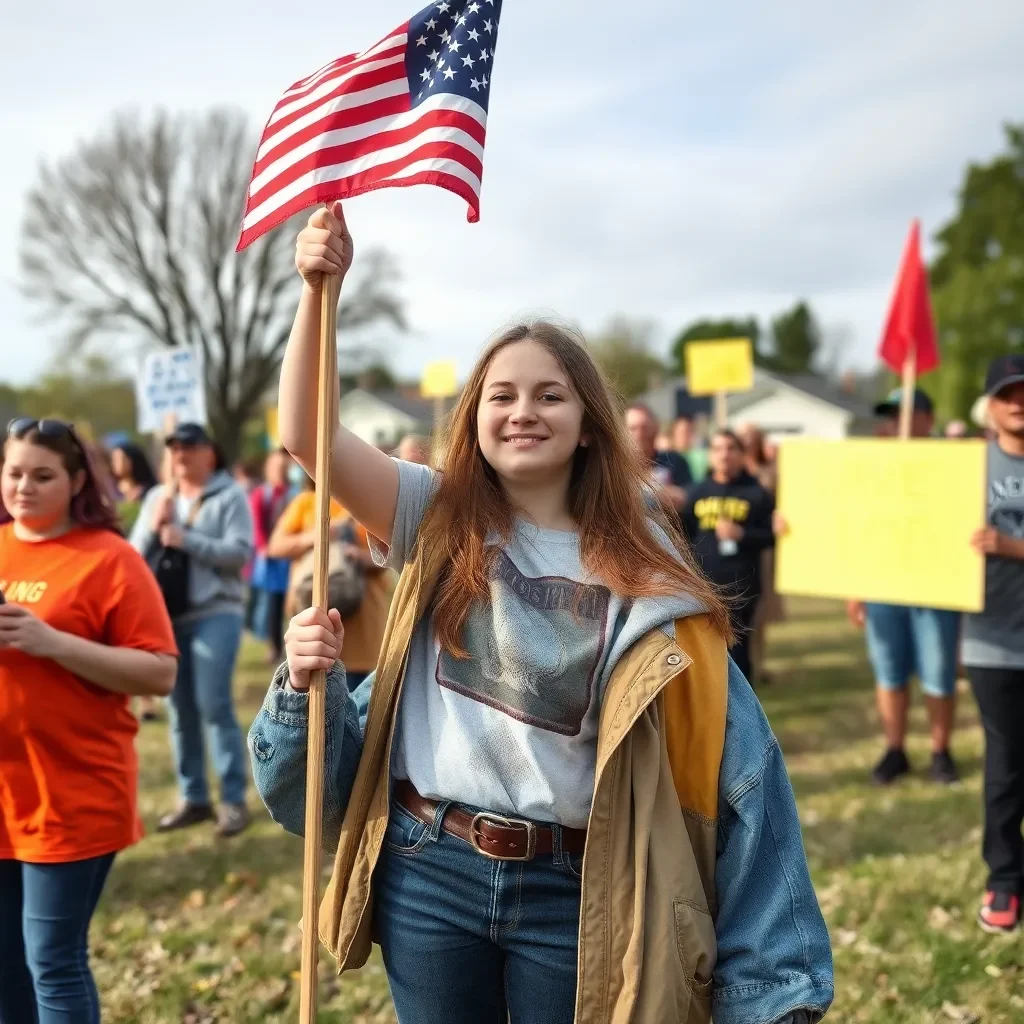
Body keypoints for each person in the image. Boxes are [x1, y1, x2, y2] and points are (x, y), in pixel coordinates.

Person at [247, 202, 833, 1024]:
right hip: (430, 869)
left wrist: (771, 983)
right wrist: (319, 290)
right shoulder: (435, 513)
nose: (523, 410)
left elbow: (740, 771)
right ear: (475, 417)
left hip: (575, 881)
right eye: (502, 394)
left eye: (550, 395)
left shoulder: (647, 566)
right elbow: (308, 433)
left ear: (589, 425)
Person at [0, 417, 177, 1023]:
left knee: (51, 960)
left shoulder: (110, 559)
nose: (24, 487)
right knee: (5, 964)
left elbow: (159, 673)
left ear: (76, 481)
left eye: (42, 476)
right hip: (4, 793)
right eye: (14, 473)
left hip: (70, 793)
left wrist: (49, 642)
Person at [130, 422, 255, 837]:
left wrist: (186, 538)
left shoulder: (229, 496)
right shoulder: (156, 498)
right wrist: (154, 527)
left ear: (209, 453)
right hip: (168, 616)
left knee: (212, 703)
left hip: (216, 612)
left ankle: (234, 800)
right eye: (173, 447)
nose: (180, 454)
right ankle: (194, 797)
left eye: (188, 446)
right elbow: (131, 558)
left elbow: (240, 554)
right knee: (178, 709)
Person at [851, 388, 962, 786]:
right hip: (883, 585)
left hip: (937, 587)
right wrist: (856, 586)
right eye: (890, 415)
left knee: (938, 672)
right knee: (889, 672)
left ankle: (940, 752)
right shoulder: (876, 467)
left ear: (928, 420)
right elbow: (863, 526)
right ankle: (895, 750)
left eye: (905, 413)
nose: (895, 422)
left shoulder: (953, 463)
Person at [962, 355, 1024, 934]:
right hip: (991, 645)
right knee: (1005, 767)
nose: (1019, 402)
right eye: (1009, 393)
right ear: (991, 404)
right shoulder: (962, 469)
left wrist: (1013, 548)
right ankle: (1005, 881)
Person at [267, 475, 391, 693]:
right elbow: (276, 546)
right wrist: (315, 536)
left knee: (360, 713)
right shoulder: (306, 501)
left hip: (363, 628)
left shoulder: (369, 503)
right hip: (314, 621)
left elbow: (394, 556)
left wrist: (357, 555)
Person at [682, 429, 776, 683]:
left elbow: (772, 536)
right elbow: (683, 537)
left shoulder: (756, 493)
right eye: (718, 449)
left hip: (743, 585)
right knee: (706, 650)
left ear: (741, 454)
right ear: (710, 456)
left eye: (731, 448)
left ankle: (743, 712)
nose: (724, 454)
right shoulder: (697, 493)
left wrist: (742, 534)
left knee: (739, 652)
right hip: (704, 586)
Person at [110, 441, 163, 721]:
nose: (115, 462)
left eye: (120, 457)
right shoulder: (110, 494)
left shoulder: (149, 495)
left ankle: (147, 701)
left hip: (144, 570)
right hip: (114, 572)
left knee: (142, 636)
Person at [735, 423, 785, 684]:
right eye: (743, 437)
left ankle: (758, 662)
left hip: (760, 546)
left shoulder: (770, 471)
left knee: (760, 609)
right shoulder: (734, 470)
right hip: (734, 551)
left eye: (751, 437)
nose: (747, 441)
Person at [249, 449, 294, 663]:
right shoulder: (262, 494)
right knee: (273, 605)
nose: (280, 471)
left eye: (284, 467)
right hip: (272, 560)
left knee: (294, 603)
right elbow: (256, 525)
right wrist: (263, 547)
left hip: (291, 556)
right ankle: (275, 646)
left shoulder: (293, 493)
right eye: (276, 467)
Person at [624, 402, 691, 513]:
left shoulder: (674, 461)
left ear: (655, 428)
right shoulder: (616, 467)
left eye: (645, 427)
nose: (639, 434)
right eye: (633, 428)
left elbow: (687, 496)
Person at [109, 441, 159, 533]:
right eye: (113, 459)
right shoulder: (110, 490)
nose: (114, 463)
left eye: (119, 459)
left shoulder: (150, 492)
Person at [672, 414, 708, 482]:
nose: (685, 435)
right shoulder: (666, 457)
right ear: (674, 432)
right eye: (682, 431)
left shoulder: (702, 457)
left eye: (689, 431)